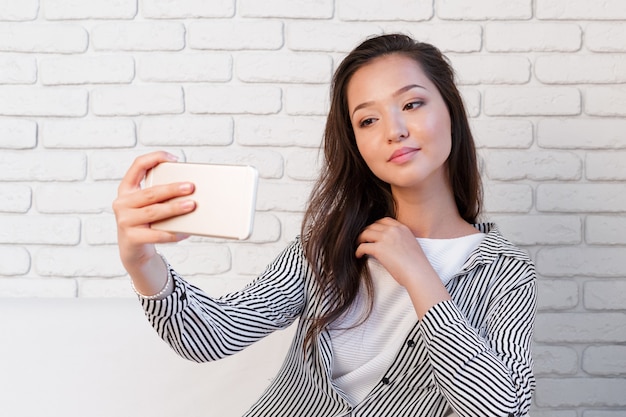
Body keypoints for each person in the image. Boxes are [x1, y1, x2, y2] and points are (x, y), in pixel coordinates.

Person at [113, 33, 536, 417]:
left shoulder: (506, 272)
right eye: (368, 120)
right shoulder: (326, 248)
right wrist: (141, 261)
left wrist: (420, 275)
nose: (395, 130)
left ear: (450, 111)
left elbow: (502, 409)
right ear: (357, 144)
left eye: (412, 104)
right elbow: (208, 336)